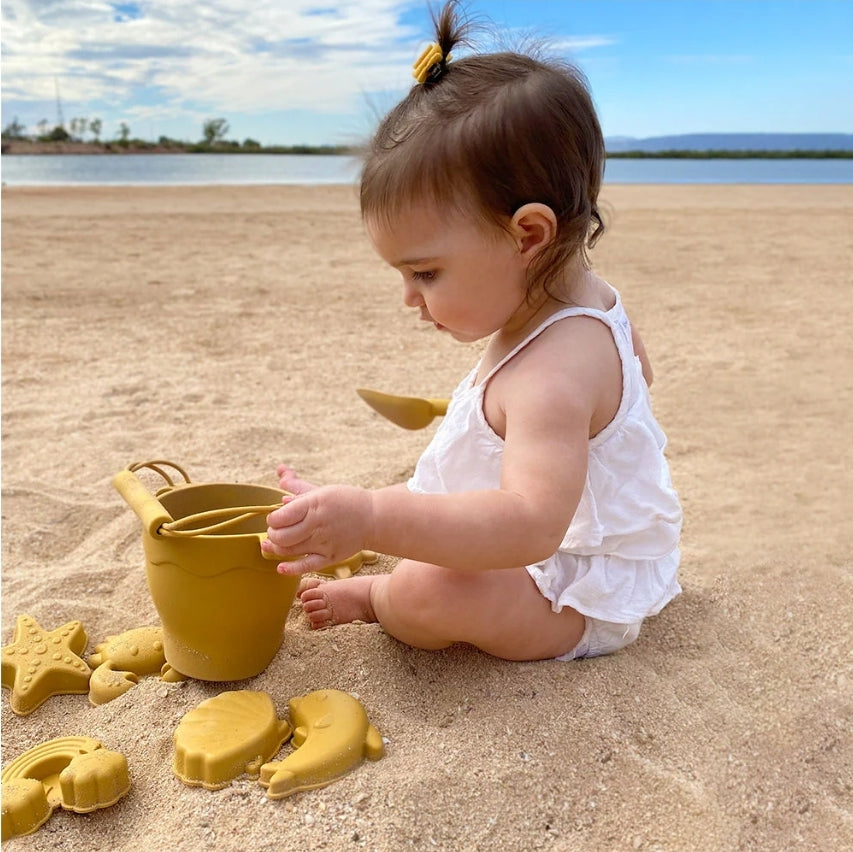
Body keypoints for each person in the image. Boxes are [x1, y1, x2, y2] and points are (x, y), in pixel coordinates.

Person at [262, 1, 682, 662]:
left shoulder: (552, 376)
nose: (409, 297)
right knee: (438, 555)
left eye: (425, 272)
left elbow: (528, 527)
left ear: (528, 236)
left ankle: (377, 598)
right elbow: (639, 380)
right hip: (561, 556)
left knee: (435, 591)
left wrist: (372, 518)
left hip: (577, 593)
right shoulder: (586, 304)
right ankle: (388, 571)